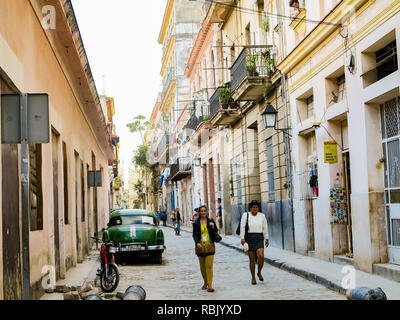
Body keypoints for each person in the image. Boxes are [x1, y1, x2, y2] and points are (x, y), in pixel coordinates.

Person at [240, 200, 269, 285]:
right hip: (249, 238)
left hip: (259, 237)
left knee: (261, 255)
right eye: (253, 207)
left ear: (258, 208)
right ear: (250, 208)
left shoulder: (262, 216)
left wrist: (266, 238)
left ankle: (259, 272)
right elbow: (242, 227)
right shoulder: (246, 215)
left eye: (256, 207)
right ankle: (253, 277)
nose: (255, 209)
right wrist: (242, 238)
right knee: (252, 259)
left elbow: (265, 227)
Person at [192, 205, 218, 292]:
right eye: (201, 211)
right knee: (202, 267)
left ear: (206, 212)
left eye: (204, 211)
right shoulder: (196, 223)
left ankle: (210, 285)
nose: (203, 212)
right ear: (199, 213)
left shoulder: (210, 221)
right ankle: (205, 282)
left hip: (210, 246)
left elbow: (216, 231)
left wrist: (213, 226)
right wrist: (197, 243)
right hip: (200, 247)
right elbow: (194, 235)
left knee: (209, 266)